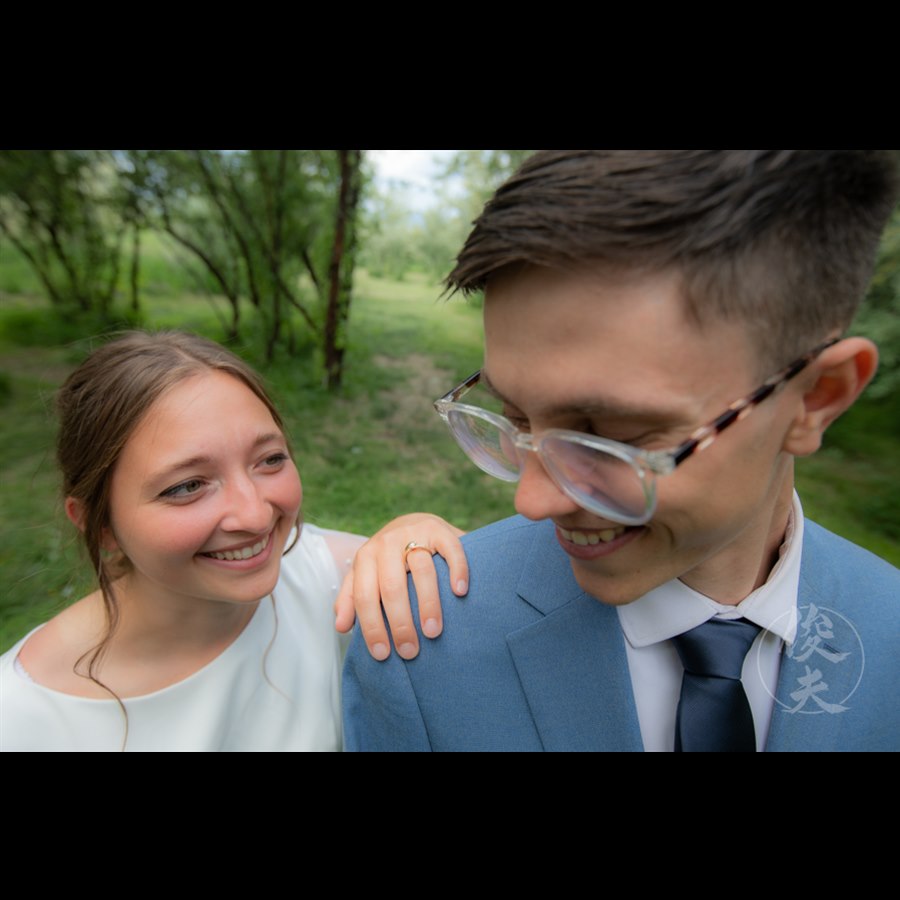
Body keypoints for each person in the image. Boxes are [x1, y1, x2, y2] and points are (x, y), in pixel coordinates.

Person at [343, 149, 900, 752]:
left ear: (815, 398)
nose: (532, 501)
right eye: (515, 415)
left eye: (611, 436)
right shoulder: (420, 654)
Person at [0, 330, 466, 752]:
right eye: (187, 486)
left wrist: (417, 535)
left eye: (269, 459)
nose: (256, 515)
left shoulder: (330, 581)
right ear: (100, 526)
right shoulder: (21, 719)